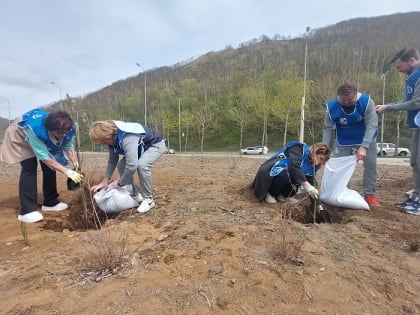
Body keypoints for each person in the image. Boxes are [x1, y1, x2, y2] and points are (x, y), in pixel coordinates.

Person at [0, 109, 83, 223]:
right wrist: (67, 172)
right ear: (50, 129)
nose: (63, 135)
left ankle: (51, 202)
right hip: (20, 134)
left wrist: (76, 165)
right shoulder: (37, 130)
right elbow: (44, 157)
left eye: (65, 132)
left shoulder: (68, 128)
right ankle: (27, 211)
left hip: (40, 137)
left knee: (51, 165)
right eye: (59, 133)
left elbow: (68, 144)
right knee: (29, 166)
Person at [376, 48, 420, 213]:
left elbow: (416, 103)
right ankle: (415, 196)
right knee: (415, 162)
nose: (399, 71)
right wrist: (388, 105)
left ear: (411, 60)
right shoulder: (412, 77)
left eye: (400, 67)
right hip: (416, 125)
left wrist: (388, 108)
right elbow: (408, 100)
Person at [89, 120, 166, 213]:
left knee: (142, 165)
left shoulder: (127, 137)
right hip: (140, 147)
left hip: (155, 145)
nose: (102, 144)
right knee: (121, 165)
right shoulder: (111, 140)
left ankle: (148, 200)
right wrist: (105, 180)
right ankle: (135, 195)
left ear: (107, 135)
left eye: (102, 141)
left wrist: (120, 183)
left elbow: (132, 165)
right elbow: (113, 160)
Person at [322, 82, 380, 207]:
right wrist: (324, 146)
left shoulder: (366, 102)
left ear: (356, 95)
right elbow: (327, 128)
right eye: (343, 100)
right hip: (344, 140)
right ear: (339, 97)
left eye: (350, 100)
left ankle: (369, 195)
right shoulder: (332, 107)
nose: (347, 103)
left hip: (367, 138)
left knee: (370, 167)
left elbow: (372, 124)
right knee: (338, 168)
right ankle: (340, 191)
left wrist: (364, 146)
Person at [253, 141, 332, 223]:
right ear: (315, 152)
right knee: (289, 171)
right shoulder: (298, 148)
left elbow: (311, 182)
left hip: (290, 175)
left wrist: (319, 207)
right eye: (321, 159)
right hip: (272, 171)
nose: (320, 163)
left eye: (323, 161)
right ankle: (271, 193)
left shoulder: (314, 165)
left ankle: (284, 195)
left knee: (304, 179)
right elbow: (295, 166)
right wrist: (307, 186)